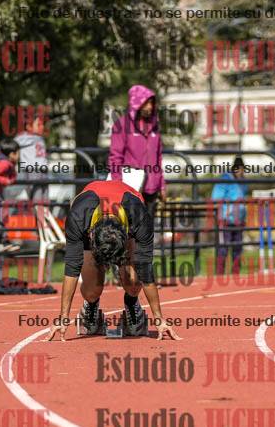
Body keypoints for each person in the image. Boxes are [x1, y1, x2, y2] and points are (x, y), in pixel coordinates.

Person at [44, 179, 180, 341]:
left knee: (132, 283)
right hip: (90, 219)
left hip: (127, 219)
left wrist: (159, 319)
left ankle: (131, 303)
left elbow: (145, 270)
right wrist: (63, 317)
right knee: (92, 291)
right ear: (91, 235)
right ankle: (91, 305)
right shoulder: (78, 218)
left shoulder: (140, 218)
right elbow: (72, 268)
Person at [108, 85, 165, 216]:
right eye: (146, 103)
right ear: (136, 103)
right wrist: (117, 185)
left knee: (148, 226)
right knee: (131, 225)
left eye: (151, 103)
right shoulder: (122, 125)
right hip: (130, 188)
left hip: (151, 188)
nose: (149, 107)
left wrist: (162, 185)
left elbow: (158, 158)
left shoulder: (155, 126)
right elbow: (115, 157)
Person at [211, 157, 248, 276]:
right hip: (225, 220)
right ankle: (220, 274)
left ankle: (236, 273)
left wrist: (244, 217)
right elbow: (216, 198)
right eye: (239, 169)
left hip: (238, 220)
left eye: (243, 170)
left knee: (238, 248)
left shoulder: (243, 182)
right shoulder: (225, 179)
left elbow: (243, 199)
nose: (241, 172)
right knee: (223, 248)